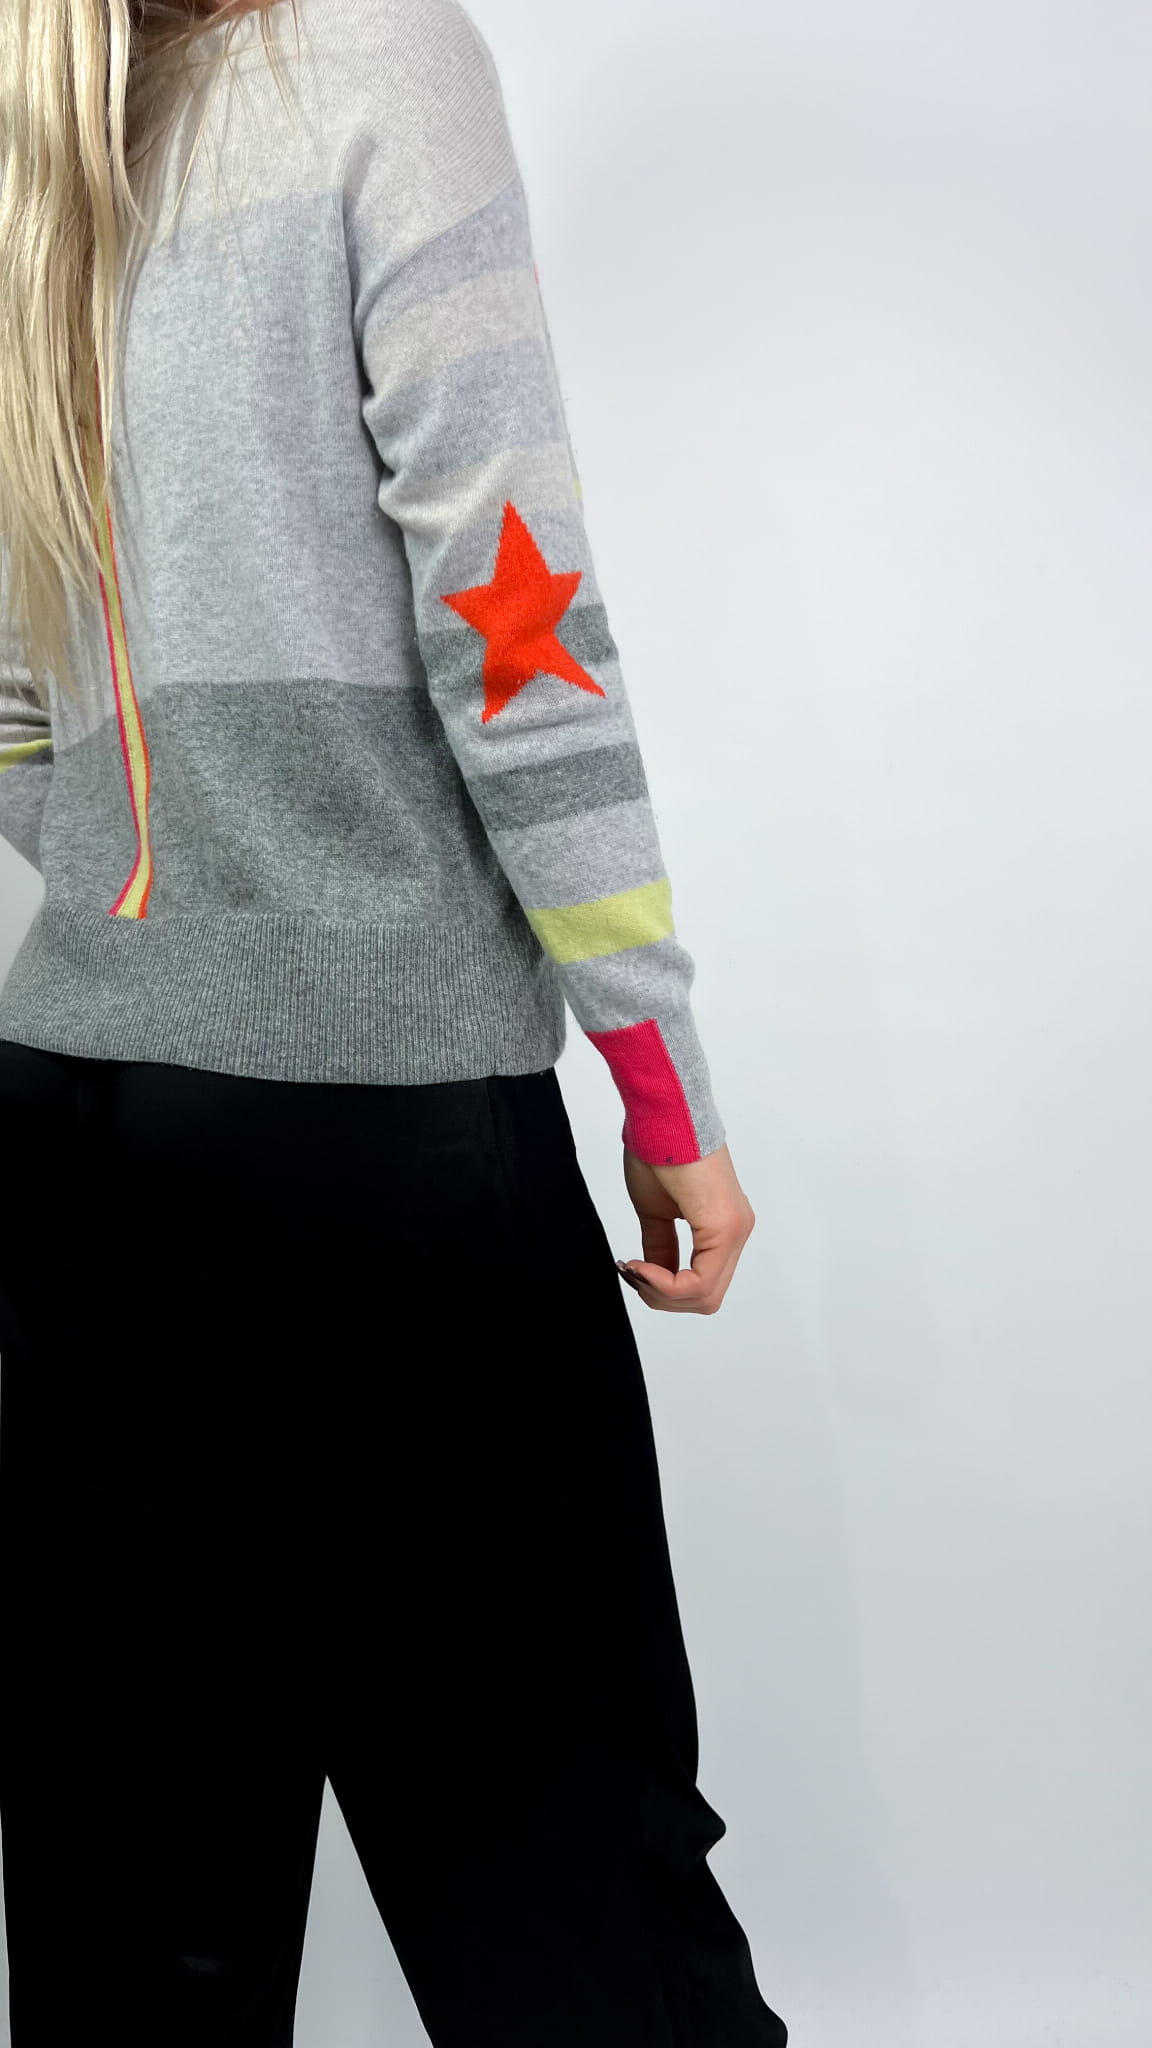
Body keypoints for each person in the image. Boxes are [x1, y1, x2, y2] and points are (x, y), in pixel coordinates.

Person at [0, 0, 788, 2041]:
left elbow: (8, 691)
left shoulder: (29, 134)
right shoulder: (375, 64)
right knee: (584, 1923)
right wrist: (658, 1079)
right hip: (384, 1138)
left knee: (135, 1932)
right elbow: (517, 621)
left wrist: (150, 891)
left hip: (73, 1141)